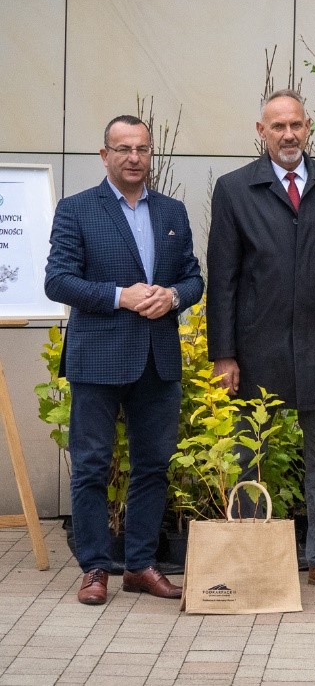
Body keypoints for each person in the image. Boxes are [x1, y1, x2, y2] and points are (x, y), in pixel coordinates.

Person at [207, 89, 315, 594]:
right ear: (261, 132)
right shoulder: (234, 190)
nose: (288, 134)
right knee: (249, 455)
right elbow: (224, 278)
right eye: (278, 127)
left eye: (296, 124)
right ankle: (255, 555)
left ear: (309, 126)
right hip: (256, 351)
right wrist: (224, 354)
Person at [45, 114, 203, 605]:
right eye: (123, 149)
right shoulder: (76, 210)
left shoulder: (173, 211)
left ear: (150, 153)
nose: (134, 158)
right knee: (92, 466)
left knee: (153, 465)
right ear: (104, 155)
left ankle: (140, 565)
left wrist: (173, 297)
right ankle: (95, 568)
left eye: (142, 149)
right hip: (98, 358)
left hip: (157, 359)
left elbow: (195, 279)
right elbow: (58, 281)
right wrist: (121, 296)